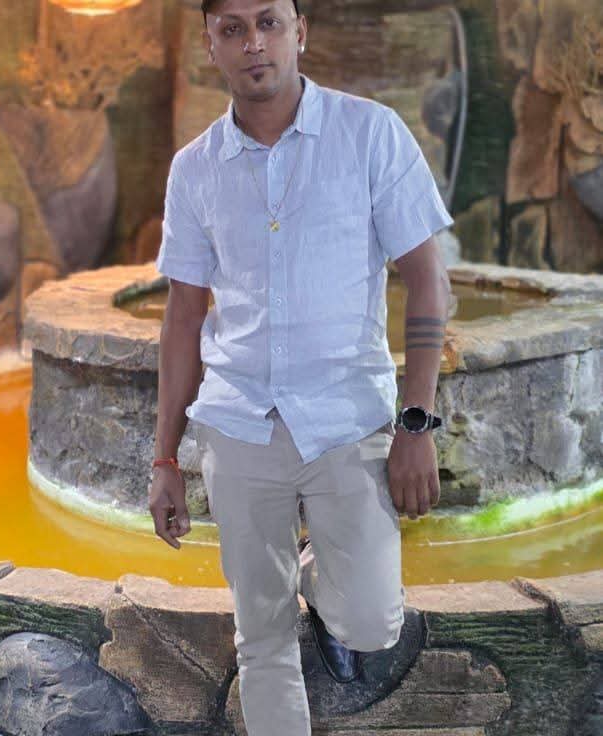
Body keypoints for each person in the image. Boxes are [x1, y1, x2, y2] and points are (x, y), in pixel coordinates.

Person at [149, 0, 453, 733]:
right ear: (211, 45)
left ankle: (313, 572)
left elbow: (427, 280)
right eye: (232, 29)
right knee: (261, 635)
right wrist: (164, 459)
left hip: (346, 418)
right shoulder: (194, 169)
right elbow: (183, 318)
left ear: (299, 32)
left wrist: (415, 425)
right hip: (239, 422)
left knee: (372, 623)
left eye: (268, 22)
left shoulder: (369, 133)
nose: (253, 42)